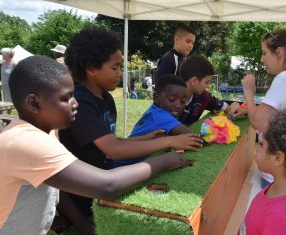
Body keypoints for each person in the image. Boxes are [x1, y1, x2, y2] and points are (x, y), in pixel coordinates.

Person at [0, 55, 190, 234]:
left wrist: (80, 222)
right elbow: (108, 186)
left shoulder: (47, 133)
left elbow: (54, 182)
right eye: (66, 98)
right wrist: (165, 161)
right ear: (34, 103)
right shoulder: (26, 142)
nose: (75, 104)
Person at [58, 27, 203, 223]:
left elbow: (108, 141)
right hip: (83, 193)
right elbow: (114, 150)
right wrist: (169, 141)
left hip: (103, 181)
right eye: (115, 67)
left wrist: (141, 139)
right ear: (91, 68)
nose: (120, 74)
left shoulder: (106, 98)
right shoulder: (82, 103)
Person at [237, 28, 286, 186]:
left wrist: (248, 91)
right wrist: (248, 109)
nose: (262, 59)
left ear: (279, 52)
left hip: (280, 174)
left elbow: (258, 122)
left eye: (265, 53)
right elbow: (276, 113)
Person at [113, 74, 194, 167]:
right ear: (156, 97)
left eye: (183, 101)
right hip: (123, 167)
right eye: (172, 99)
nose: (178, 105)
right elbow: (193, 138)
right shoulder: (160, 116)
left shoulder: (154, 109)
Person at [178, 55, 240, 126]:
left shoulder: (204, 97)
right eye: (207, 82)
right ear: (194, 81)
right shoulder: (168, 98)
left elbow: (225, 107)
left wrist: (234, 108)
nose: (208, 86)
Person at [0, 48, 16, 114]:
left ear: (8, 54)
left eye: (3, 54)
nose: (2, 55)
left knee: (9, 101)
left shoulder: (15, 63)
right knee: (5, 100)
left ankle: (8, 115)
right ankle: (3, 115)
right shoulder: (2, 63)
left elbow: (18, 75)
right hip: (4, 85)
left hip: (11, 85)